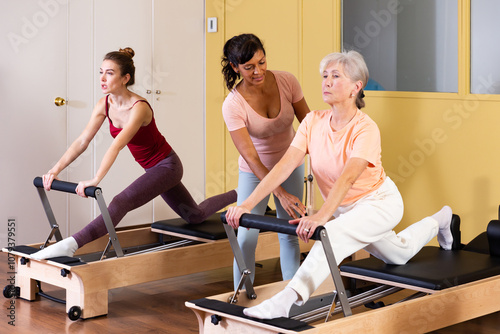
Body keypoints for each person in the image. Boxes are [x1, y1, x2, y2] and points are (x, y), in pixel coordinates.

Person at [224, 50, 453, 319]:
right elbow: (284, 167)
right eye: (324, 76)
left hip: (379, 204)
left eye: (335, 76)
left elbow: (347, 177)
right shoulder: (312, 122)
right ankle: (441, 219)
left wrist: (322, 216)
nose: (327, 82)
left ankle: (284, 301)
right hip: (347, 209)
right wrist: (247, 204)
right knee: (398, 254)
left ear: (356, 87)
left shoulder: (366, 128)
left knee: (328, 235)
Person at [31, 47, 237, 260]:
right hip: (152, 169)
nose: (102, 78)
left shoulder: (139, 108)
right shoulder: (104, 104)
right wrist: (54, 170)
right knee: (195, 216)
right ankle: (241, 192)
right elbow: (82, 141)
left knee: (121, 202)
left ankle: (72, 244)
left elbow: (117, 146)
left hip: (168, 166)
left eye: (109, 73)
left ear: (125, 78)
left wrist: (96, 179)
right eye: (100, 72)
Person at [221, 34, 311, 289]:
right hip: (254, 170)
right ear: (235, 67)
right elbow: (250, 156)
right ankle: (242, 296)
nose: (258, 71)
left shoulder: (287, 81)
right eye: (249, 67)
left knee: (289, 233)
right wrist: (279, 193)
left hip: (291, 164)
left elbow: (308, 126)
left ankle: (290, 298)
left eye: (261, 62)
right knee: (246, 237)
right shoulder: (233, 104)